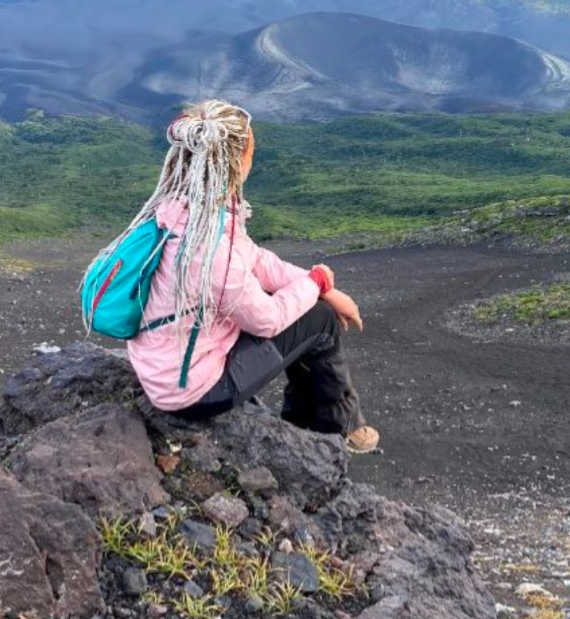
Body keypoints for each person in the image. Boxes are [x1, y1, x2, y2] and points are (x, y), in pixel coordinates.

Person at [123, 99, 380, 453]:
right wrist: (317, 285)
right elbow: (267, 321)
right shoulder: (211, 248)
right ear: (239, 162)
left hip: (162, 365)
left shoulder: (179, 211)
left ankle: (308, 423)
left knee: (311, 305)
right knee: (320, 319)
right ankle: (333, 428)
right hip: (193, 394)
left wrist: (322, 285)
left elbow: (255, 260)